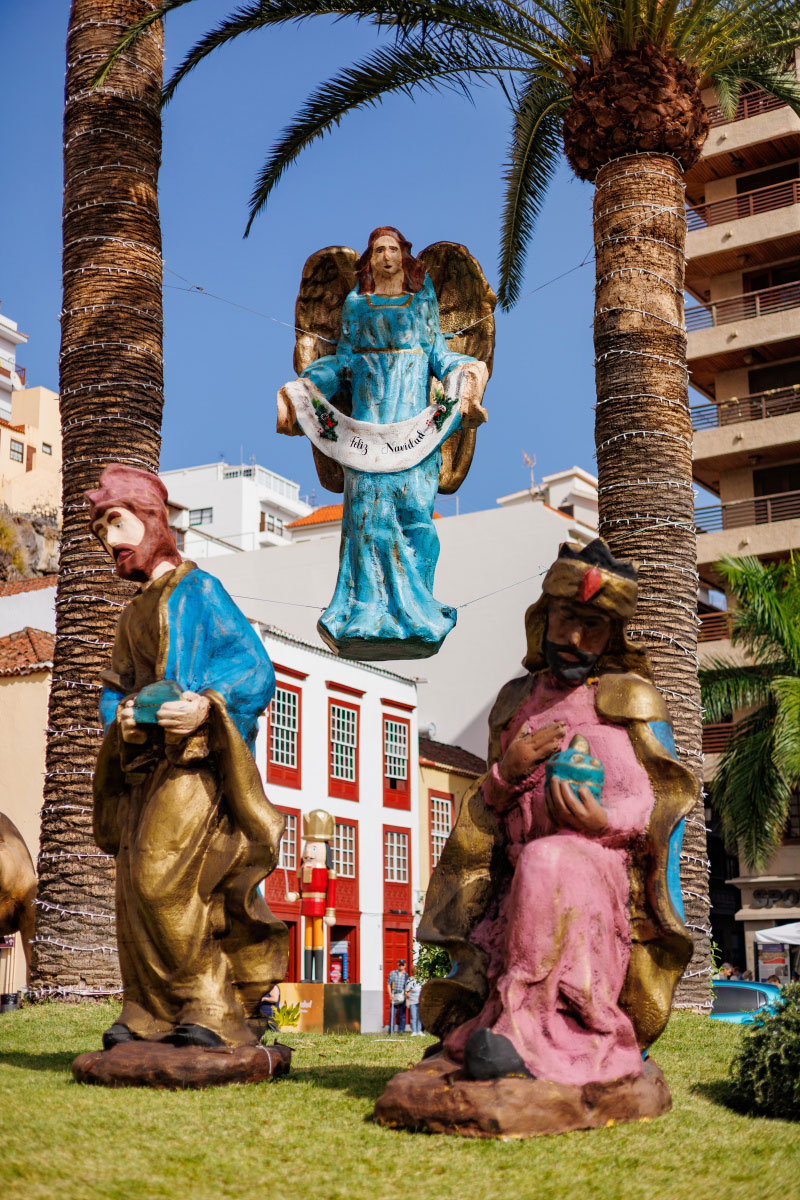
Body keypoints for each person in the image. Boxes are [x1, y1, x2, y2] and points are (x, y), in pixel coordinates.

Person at [418, 539, 697, 1086]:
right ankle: (503, 1024)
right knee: (538, 862)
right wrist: (506, 773)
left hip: (598, 879)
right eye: (567, 620)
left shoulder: (630, 699)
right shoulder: (513, 702)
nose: (574, 640)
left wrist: (604, 824)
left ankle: (534, 1033)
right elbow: (487, 813)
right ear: (544, 618)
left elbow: (660, 804)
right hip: (516, 882)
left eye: (593, 627)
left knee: (550, 859)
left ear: (612, 635)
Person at [89, 464, 288, 1049]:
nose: (109, 540)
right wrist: (121, 717)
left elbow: (253, 668)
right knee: (132, 883)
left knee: (162, 878)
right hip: (144, 768)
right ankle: (149, 1010)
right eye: (101, 529)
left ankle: (209, 1002)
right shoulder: (131, 614)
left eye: (116, 522)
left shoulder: (200, 590)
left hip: (196, 764)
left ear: (152, 521)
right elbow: (113, 687)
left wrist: (205, 707)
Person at [278, 226, 488, 659]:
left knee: (416, 517)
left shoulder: (421, 299)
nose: (387, 257)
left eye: (393, 249)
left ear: (404, 256)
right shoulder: (356, 304)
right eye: (379, 251)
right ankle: (365, 613)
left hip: (415, 430)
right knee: (366, 521)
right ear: (368, 260)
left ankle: (419, 610)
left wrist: (469, 373)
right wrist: (306, 387)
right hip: (365, 433)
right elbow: (343, 361)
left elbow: (439, 355)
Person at [387, 958, 410, 1034]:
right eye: (400, 964)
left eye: (402, 965)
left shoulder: (406, 975)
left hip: (402, 995)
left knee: (402, 1015)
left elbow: (407, 987)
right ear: (398, 965)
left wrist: (407, 998)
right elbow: (388, 984)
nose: (401, 966)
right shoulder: (393, 973)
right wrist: (390, 994)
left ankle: (401, 1031)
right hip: (394, 995)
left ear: (405, 966)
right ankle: (391, 1031)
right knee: (392, 1014)